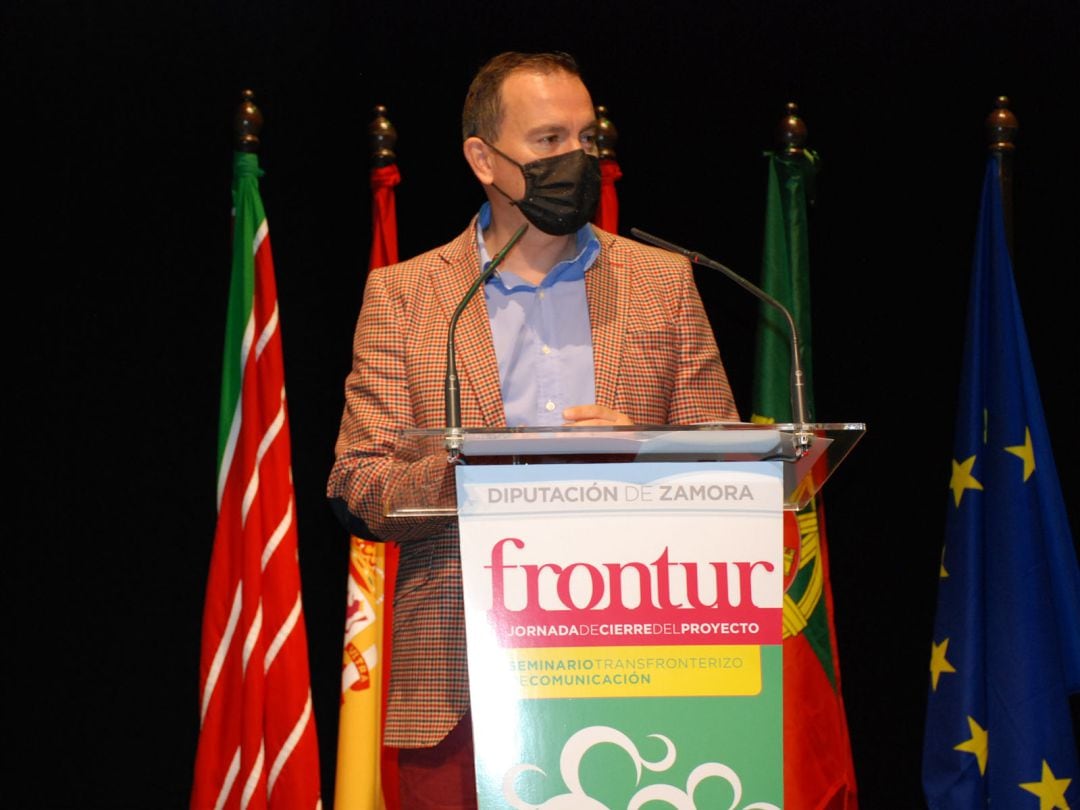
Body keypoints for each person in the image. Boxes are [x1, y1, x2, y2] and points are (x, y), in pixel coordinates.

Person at [327, 50, 739, 809]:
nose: (575, 160)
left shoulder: (663, 282)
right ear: (484, 159)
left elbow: (731, 465)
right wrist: (474, 470)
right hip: (461, 691)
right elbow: (358, 484)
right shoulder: (408, 296)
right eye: (549, 141)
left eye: (586, 139)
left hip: (646, 678)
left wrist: (644, 460)